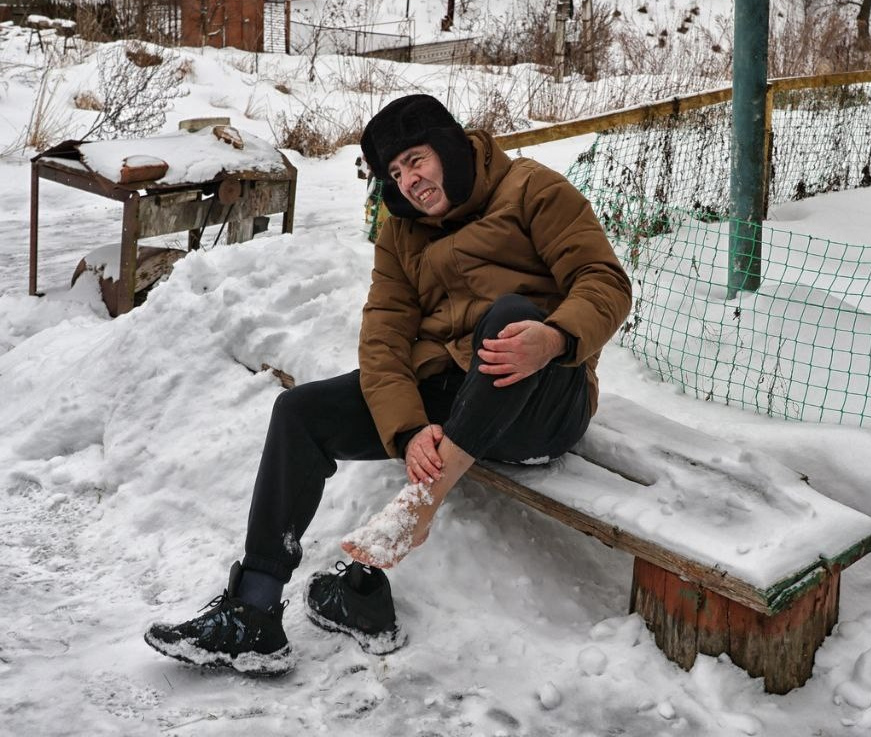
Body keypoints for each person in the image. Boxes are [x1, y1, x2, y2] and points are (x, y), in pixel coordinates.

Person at [145, 94, 632, 674]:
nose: (410, 182)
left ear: (449, 148)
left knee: (507, 319)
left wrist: (552, 338)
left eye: (417, 160)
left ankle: (417, 508)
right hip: (453, 398)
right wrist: (406, 431)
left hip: (544, 397)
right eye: (395, 173)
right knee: (300, 412)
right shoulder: (401, 233)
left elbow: (604, 281)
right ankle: (252, 613)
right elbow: (383, 340)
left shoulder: (532, 190)